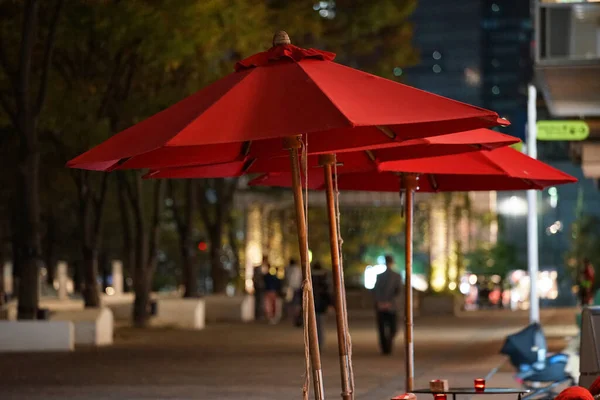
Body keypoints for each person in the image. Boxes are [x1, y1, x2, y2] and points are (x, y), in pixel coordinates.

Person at [372, 254, 402, 355]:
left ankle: (387, 346)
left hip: (389, 305)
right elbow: (376, 290)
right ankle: (385, 348)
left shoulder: (396, 276)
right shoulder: (381, 276)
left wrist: (386, 302)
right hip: (384, 306)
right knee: (384, 328)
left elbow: (398, 291)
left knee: (390, 328)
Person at [311, 262, 331, 350]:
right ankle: (319, 343)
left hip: (312, 304)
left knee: (312, 325)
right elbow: (328, 293)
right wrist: (330, 304)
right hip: (321, 305)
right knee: (320, 325)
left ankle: (314, 344)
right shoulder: (324, 278)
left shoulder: (309, 278)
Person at [284, 258, 303, 327]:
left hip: (290, 288)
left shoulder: (288, 269)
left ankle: (291, 316)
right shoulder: (298, 269)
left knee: (290, 303)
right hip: (296, 288)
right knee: (296, 303)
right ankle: (295, 316)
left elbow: (287, 278)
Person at [253, 256, 268, 320]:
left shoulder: (262, 268)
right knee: (259, 301)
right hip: (259, 286)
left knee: (260, 301)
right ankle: (258, 315)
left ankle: (260, 314)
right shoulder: (259, 268)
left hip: (261, 286)